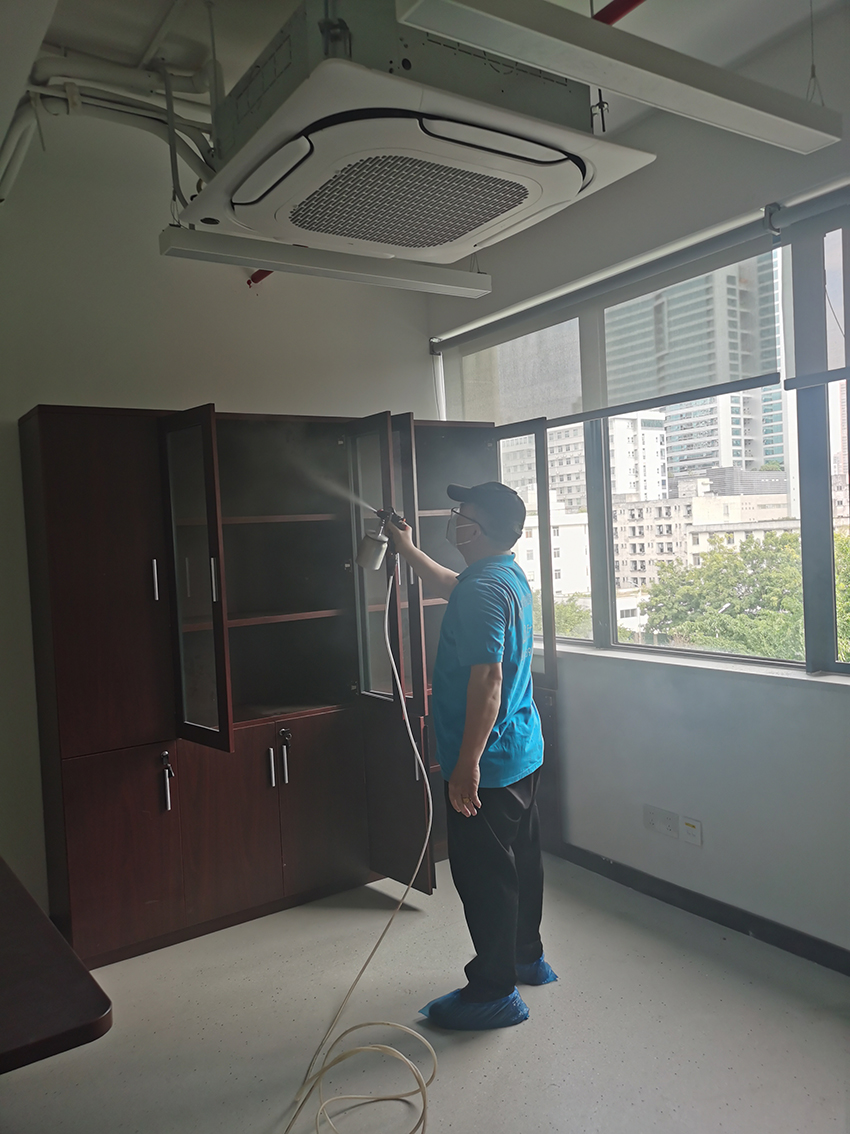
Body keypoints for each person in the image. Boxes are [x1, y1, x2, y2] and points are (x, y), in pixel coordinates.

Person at [390, 481, 557, 1030]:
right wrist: (406, 547)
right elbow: (448, 581)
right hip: (521, 750)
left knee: (485, 877)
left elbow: (487, 680)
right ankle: (526, 958)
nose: (454, 520)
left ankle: (492, 992)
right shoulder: (500, 574)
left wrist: (466, 766)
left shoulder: (482, 591)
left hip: (490, 763)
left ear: (476, 530)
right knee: (521, 863)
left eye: (461, 515)